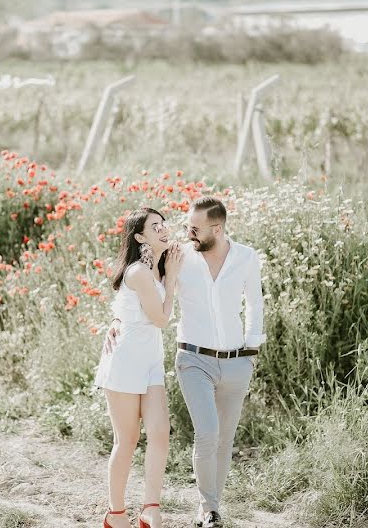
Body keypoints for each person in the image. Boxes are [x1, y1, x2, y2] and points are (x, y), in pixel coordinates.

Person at [104, 196, 264, 528]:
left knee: (185, 435)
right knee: (181, 435)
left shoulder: (238, 257)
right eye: (182, 226)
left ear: (216, 229)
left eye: (193, 228)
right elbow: (139, 294)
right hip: (169, 359)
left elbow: (255, 304)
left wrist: (251, 349)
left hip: (192, 362)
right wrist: (117, 322)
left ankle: (177, 508)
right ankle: (124, 512)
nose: (181, 232)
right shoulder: (175, 259)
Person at [94, 207, 184, 528]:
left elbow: (126, 309)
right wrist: (171, 280)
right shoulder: (138, 272)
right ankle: (115, 513)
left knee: (160, 432)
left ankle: (150, 507)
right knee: (128, 439)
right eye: (154, 226)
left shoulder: (159, 265)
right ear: (140, 237)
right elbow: (160, 319)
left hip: (150, 361)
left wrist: (168, 272)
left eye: (163, 224)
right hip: (126, 360)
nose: (162, 229)